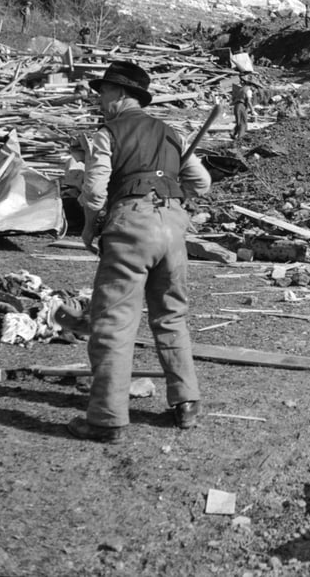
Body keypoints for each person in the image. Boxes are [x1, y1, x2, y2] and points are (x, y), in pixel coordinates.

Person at [69, 60, 211, 442]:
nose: (100, 100)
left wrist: (88, 226)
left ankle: (106, 419)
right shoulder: (171, 133)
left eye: (103, 93)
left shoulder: (108, 133)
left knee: (115, 324)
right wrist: (175, 192)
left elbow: (96, 191)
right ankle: (186, 403)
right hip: (173, 227)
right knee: (171, 316)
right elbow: (202, 181)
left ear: (120, 95)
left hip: (131, 225)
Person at [230, 76, 255, 140]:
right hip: (242, 106)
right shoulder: (249, 91)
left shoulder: (241, 89)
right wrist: (252, 110)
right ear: (251, 85)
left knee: (239, 121)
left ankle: (233, 133)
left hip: (237, 105)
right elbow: (249, 101)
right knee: (243, 122)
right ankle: (240, 137)